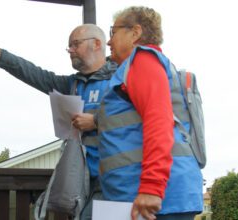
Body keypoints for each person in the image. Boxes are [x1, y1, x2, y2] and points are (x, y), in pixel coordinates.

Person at [0, 23, 117, 219]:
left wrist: (96, 121)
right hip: (81, 184)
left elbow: (144, 117)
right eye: (69, 46)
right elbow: (31, 73)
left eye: (75, 44)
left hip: (114, 181)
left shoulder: (122, 78)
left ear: (98, 43)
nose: (70, 51)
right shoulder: (72, 84)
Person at [96, 6, 203, 220]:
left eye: (113, 32)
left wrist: (151, 187)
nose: (109, 42)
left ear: (135, 33)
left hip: (154, 202)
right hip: (145, 199)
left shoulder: (142, 61)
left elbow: (158, 120)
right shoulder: (135, 68)